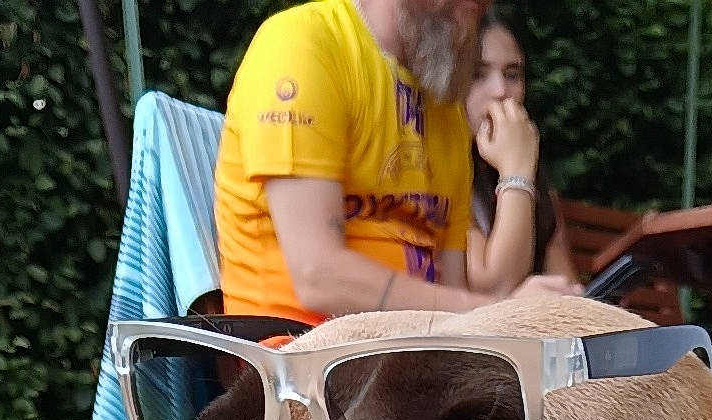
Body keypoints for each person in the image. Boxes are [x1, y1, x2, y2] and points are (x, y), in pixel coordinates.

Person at [214, 0, 574, 325]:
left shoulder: (445, 109)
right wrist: (495, 311)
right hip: (297, 363)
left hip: (410, 360)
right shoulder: (304, 46)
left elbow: (456, 292)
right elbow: (317, 276)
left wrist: (515, 316)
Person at [465, 8, 581, 296]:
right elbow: (495, 287)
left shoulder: (532, 170)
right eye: (478, 74)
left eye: (512, 74)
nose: (500, 91)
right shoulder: (438, 169)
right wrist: (515, 173)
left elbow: (566, 282)